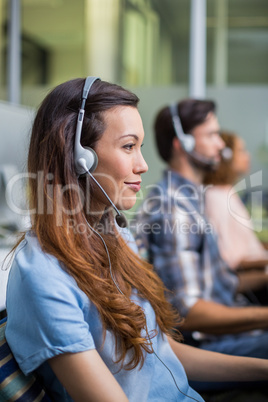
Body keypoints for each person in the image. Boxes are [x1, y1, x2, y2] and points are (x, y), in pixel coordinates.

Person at [4, 79, 268, 402]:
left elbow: (162, 354)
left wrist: (262, 369)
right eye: (129, 146)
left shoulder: (115, 236)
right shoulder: (44, 277)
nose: (142, 165)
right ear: (78, 157)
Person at [133, 99, 268, 390]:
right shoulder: (174, 208)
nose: (222, 145)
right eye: (211, 135)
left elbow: (217, 283)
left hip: (225, 334)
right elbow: (189, 312)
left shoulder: (192, 198)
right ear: (181, 142)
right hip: (206, 348)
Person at [204, 130, 268, 270]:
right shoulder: (215, 197)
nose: (247, 155)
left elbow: (248, 248)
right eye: (241, 150)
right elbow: (229, 260)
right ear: (225, 157)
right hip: (247, 277)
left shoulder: (228, 192)